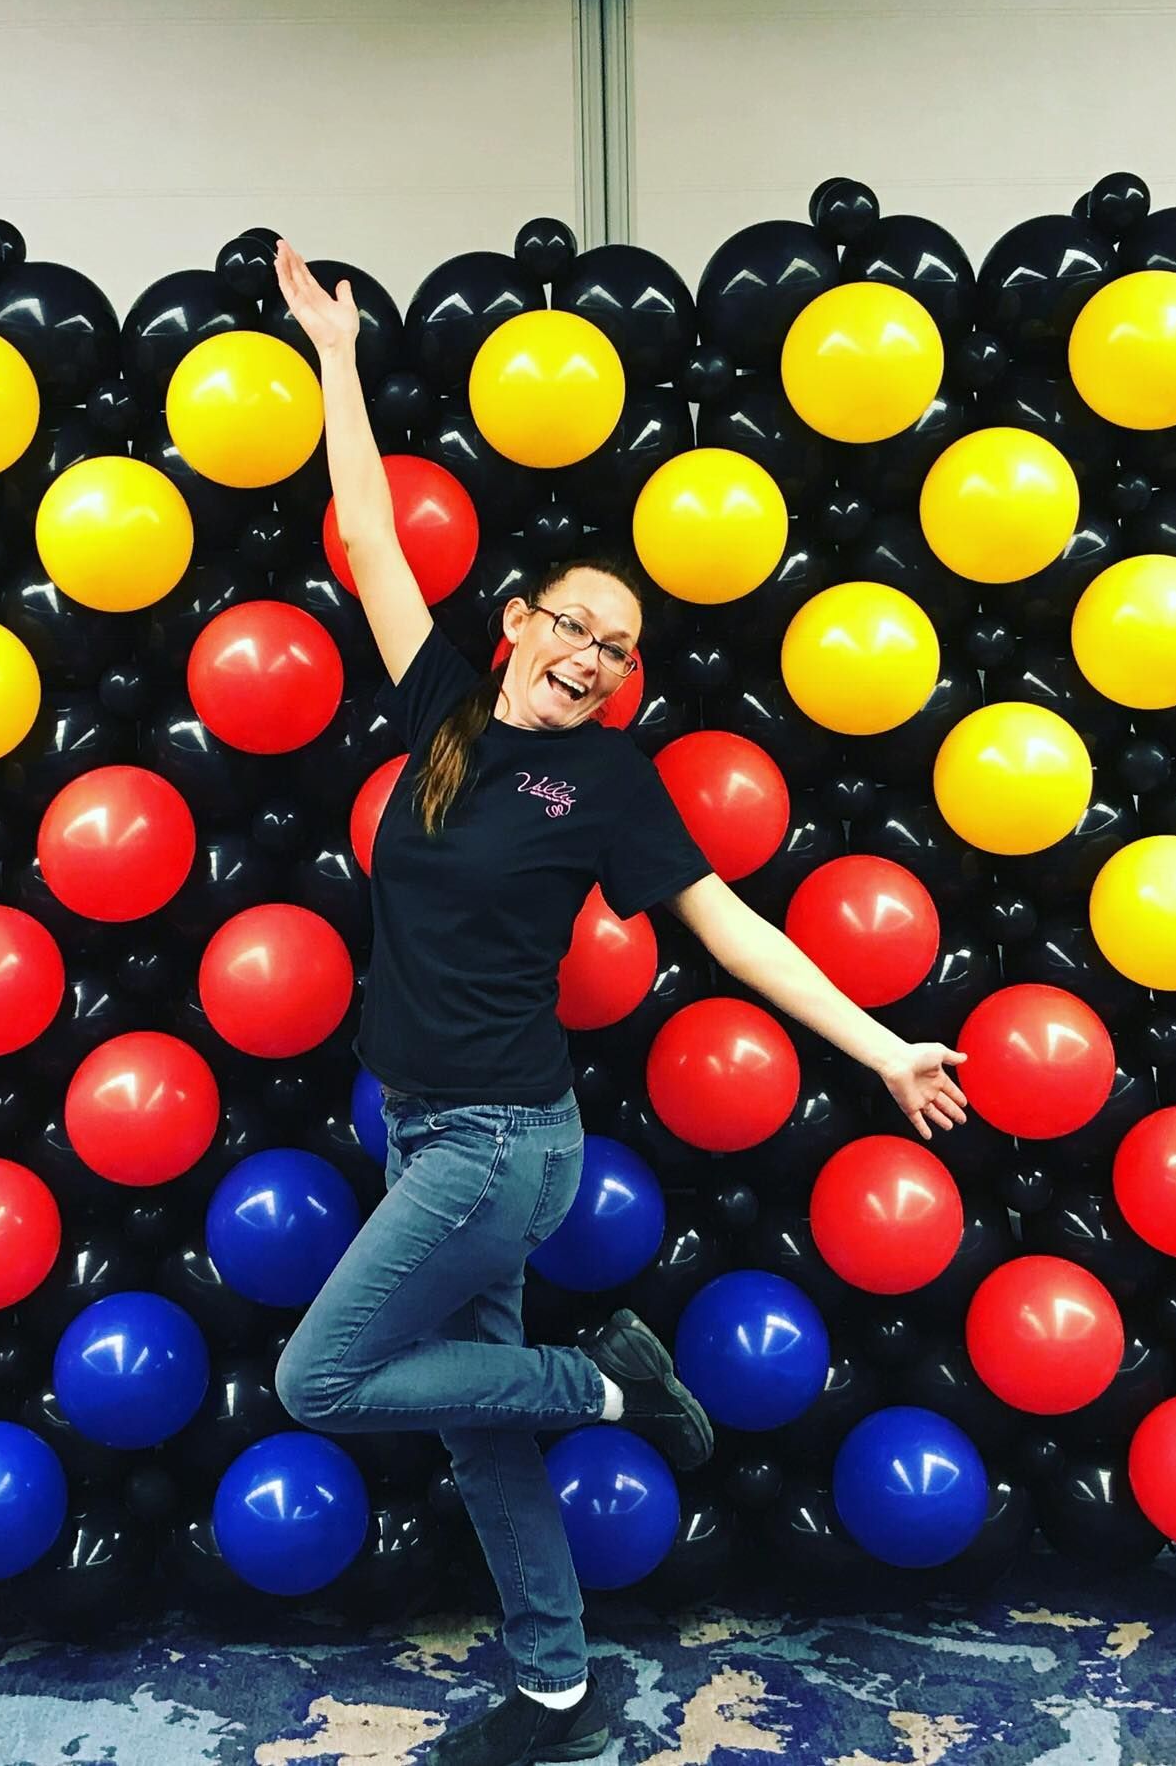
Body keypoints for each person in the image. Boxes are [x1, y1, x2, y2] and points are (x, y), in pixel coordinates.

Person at [268, 238, 969, 1766]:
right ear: (518, 621)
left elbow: (732, 935)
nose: (592, 656)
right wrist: (335, 357)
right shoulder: (444, 715)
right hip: (425, 1132)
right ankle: (558, 1689)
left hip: (501, 1147)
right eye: (574, 625)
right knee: (474, 1425)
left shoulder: (607, 782)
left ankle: (608, 1379)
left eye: (619, 647)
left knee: (318, 1378)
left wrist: (878, 1045)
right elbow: (374, 538)